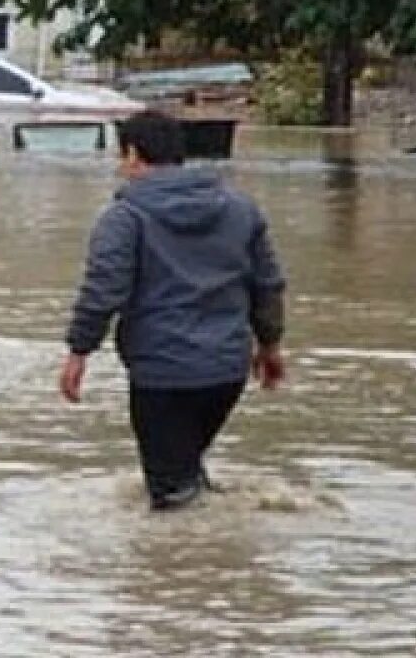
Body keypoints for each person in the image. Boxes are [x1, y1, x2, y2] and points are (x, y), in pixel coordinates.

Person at [59, 109, 287, 511]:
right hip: (226, 373)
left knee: (170, 499)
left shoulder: (124, 218)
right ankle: (221, 555)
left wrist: (79, 352)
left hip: (160, 373)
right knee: (185, 471)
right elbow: (266, 284)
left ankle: (182, 568)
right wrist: (270, 346)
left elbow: (104, 290)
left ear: (132, 154)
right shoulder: (241, 209)